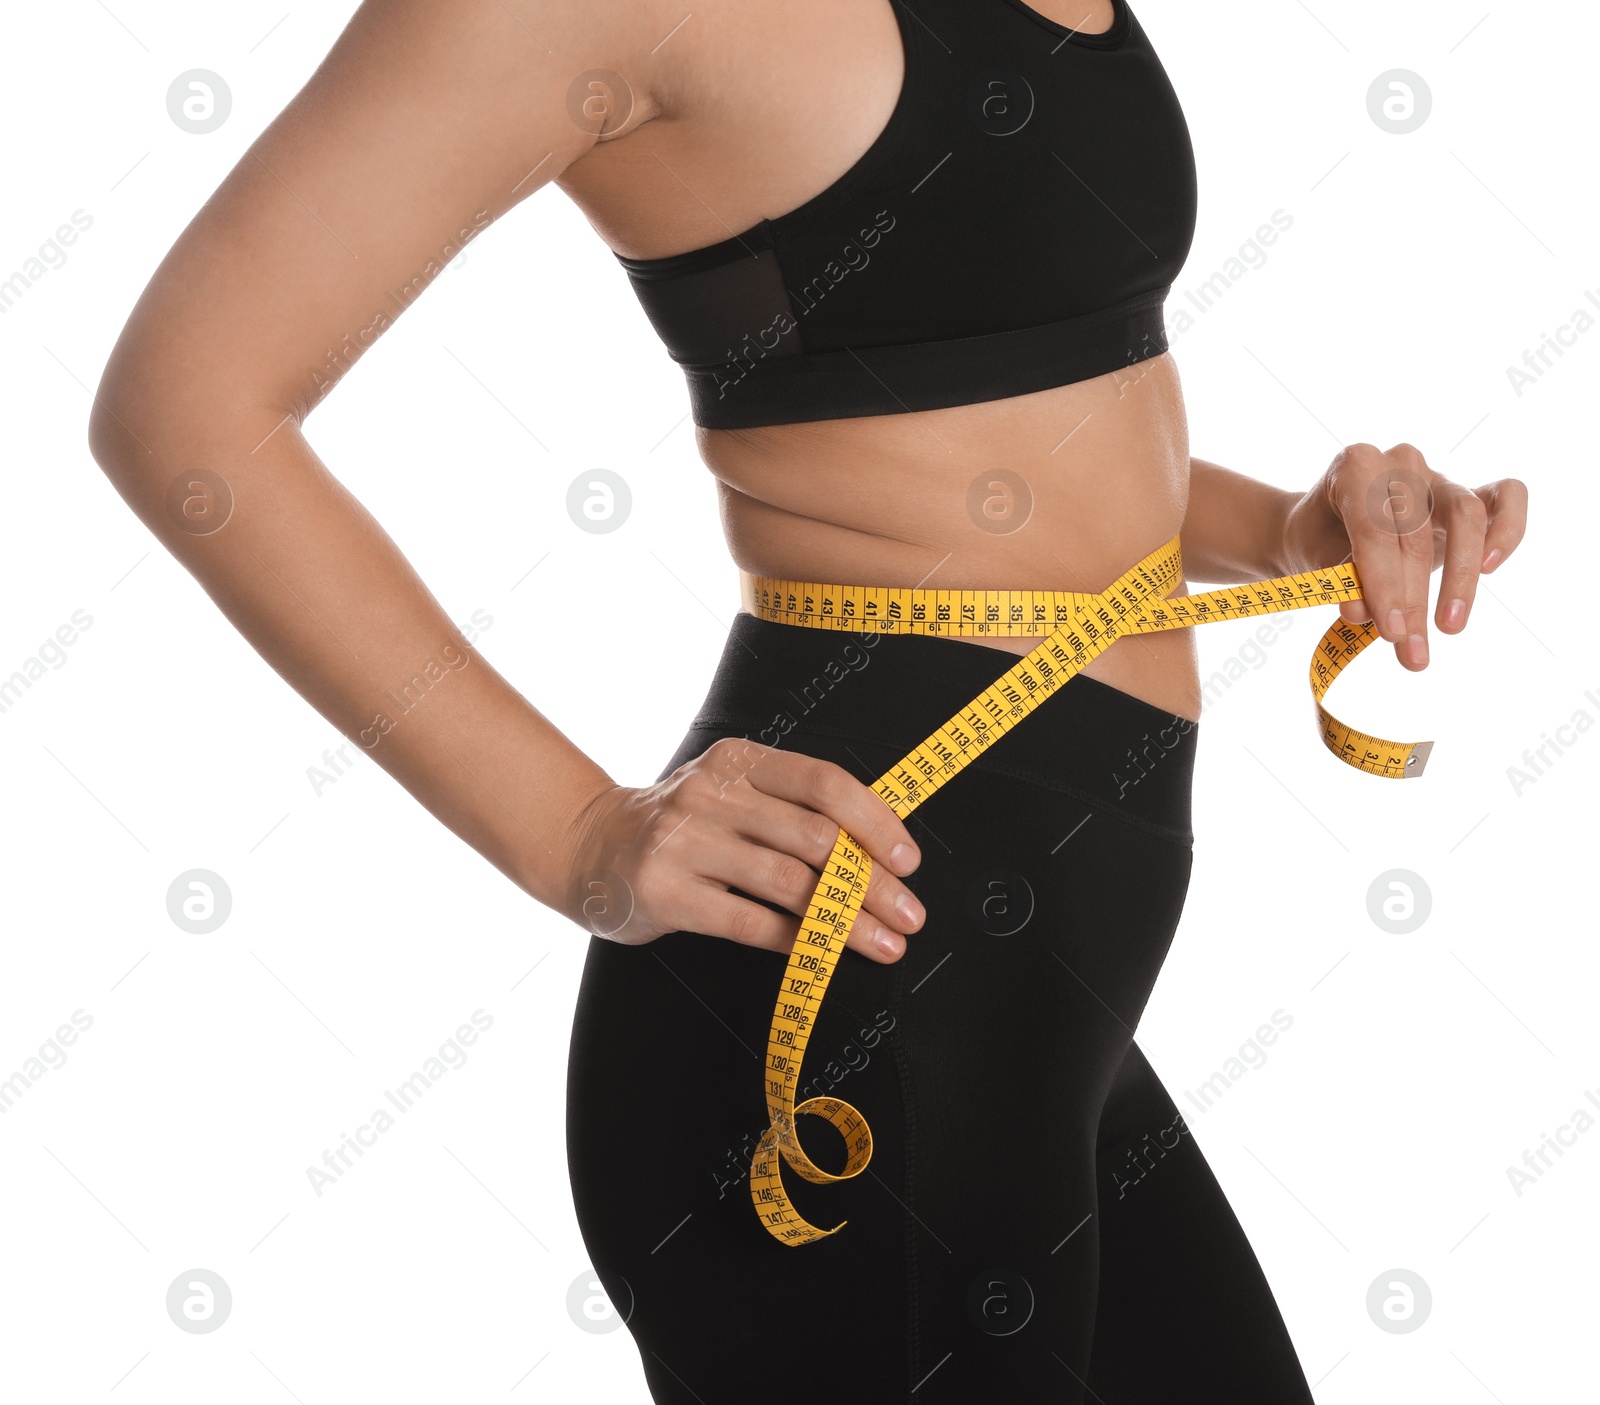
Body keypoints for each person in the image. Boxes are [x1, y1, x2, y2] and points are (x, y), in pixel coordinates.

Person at [86, 0, 1527, 1398]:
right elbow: (186, 408)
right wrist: (579, 830)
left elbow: (989, 404)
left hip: (1040, 1009)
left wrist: (1289, 531)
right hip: (843, 982)